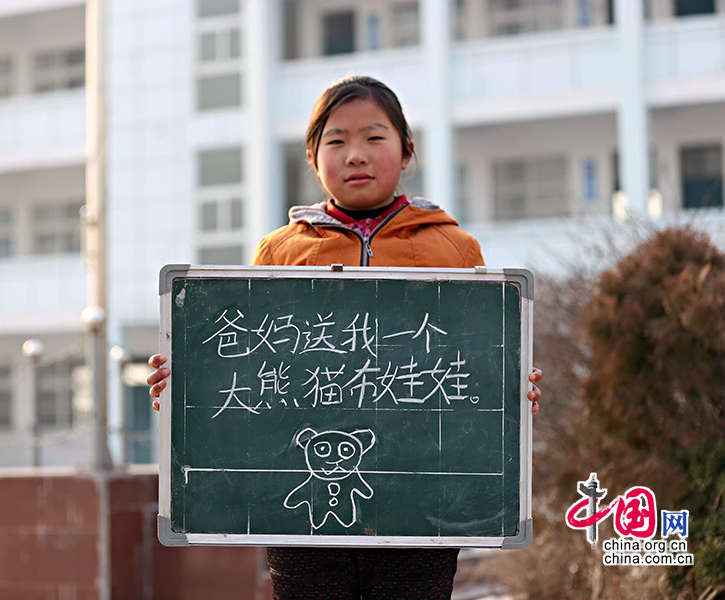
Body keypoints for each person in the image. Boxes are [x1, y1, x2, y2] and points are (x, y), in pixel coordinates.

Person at [146, 75, 543, 600]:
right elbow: (245, 367)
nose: (356, 155)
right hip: (300, 514)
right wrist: (187, 382)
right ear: (313, 158)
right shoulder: (278, 253)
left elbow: (476, 366)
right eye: (336, 141)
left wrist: (512, 387)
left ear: (406, 152)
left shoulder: (454, 246)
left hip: (421, 509)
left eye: (375, 137)